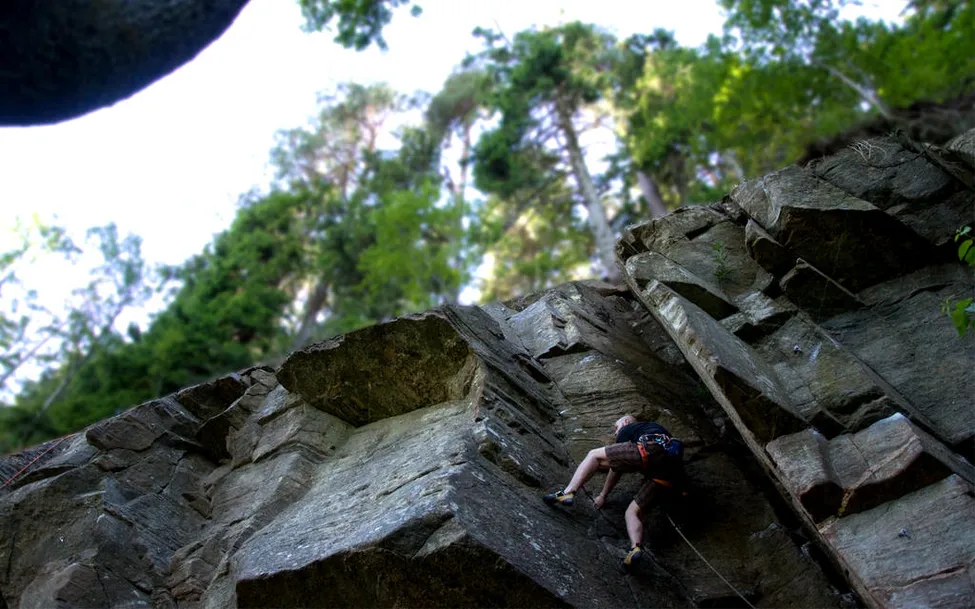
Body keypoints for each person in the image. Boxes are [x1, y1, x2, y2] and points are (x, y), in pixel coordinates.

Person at [543, 414, 684, 573]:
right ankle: (635, 548)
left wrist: (603, 495)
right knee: (632, 511)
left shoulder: (629, 429)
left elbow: (616, 467)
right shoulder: (664, 435)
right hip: (666, 476)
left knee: (593, 455)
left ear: (625, 421)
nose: (616, 433)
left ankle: (568, 492)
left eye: (616, 428)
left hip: (646, 449)